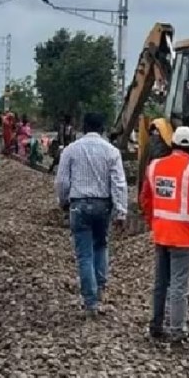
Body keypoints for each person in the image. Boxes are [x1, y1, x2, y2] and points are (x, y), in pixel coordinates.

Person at [139, 125, 189, 342]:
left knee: (161, 283)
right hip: (184, 237)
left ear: (172, 143)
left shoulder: (154, 166)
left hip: (161, 234)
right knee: (179, 285)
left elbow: (145, 199)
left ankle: (156, 325)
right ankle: (177, 330)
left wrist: (154, 222)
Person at [54, 112, 128, 318]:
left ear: (83, 127)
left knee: (84, 254)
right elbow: (119, 183)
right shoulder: (112, 151)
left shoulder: (71, 150)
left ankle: (90, 302)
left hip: (79, 205)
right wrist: (121, 211)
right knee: (101, 245)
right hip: (103, 205)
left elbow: (62, 182)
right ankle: (100, 287)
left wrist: (63, 201)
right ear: (103, 128)